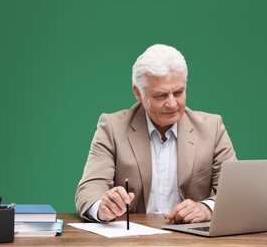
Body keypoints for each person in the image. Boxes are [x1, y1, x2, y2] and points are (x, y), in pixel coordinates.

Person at [75, 44, 236, 224]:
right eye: (161, 95)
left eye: (178, 92)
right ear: (138, 93)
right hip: (132, 240)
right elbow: (89, 188)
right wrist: (102, 207)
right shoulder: (112, 127)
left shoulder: (212, 128)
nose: (172, 104)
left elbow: (236, 193)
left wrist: (206, 208)